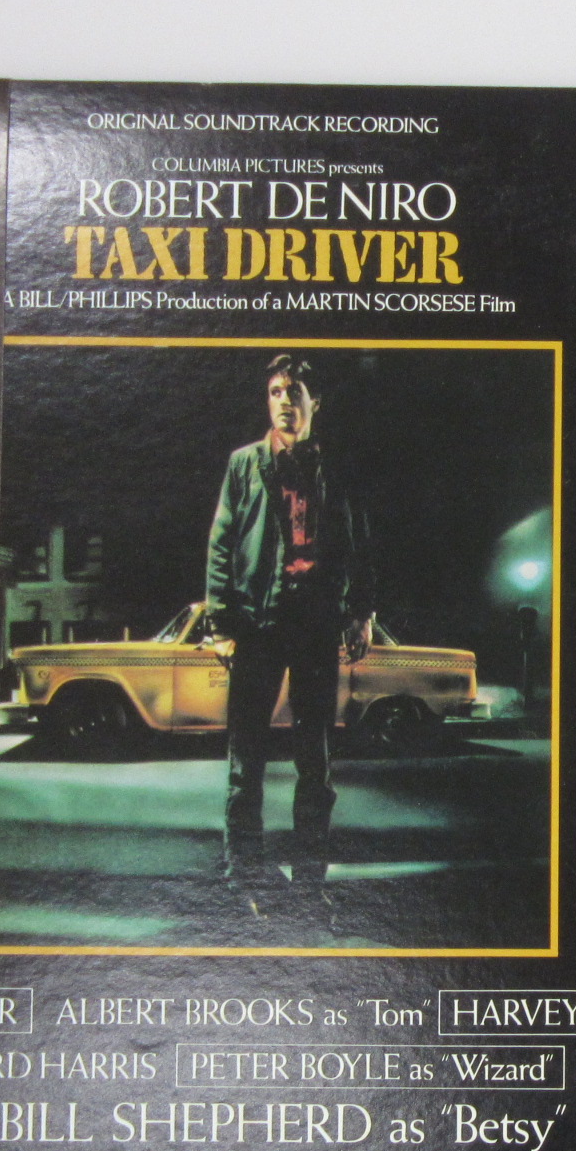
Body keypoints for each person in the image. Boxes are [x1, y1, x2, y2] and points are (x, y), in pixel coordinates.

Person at [205, 354, 376, 887]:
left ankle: (310, 873)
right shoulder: (244, 464)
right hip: (257, 623)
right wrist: (221, 624)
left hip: (316, 623)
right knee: (246, 755)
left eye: (294, 391)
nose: (283, 401)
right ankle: (243, 869)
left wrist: (361, 612)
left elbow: (358, 542)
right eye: (275, 392)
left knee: (314, 757)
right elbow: (221, 544)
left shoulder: (335, 466)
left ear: (313, 403)